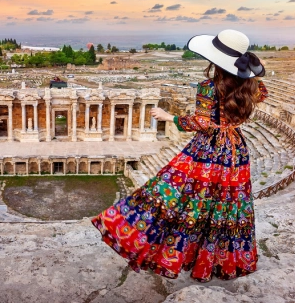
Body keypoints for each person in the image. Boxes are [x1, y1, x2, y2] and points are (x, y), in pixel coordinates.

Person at [92, 29, 268, 282]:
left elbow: (202, 123)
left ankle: (140, 236)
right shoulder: (253, 86)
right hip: (235, 151)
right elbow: (261, 95)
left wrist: (169, 117)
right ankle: (222, 262)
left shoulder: (209, 87)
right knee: (228, 206)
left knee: (174, 194)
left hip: (208, 150)